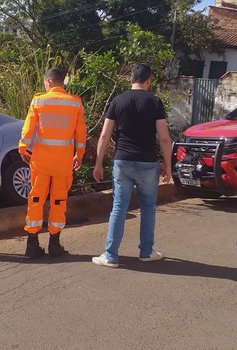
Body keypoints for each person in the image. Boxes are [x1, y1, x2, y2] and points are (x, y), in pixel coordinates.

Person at [91, 63, 172, 268]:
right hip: (147, 163)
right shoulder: (155, 102)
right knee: (148, 208)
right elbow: (164, 138)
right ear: (148, 80)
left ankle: (110, 256)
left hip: (123, 161)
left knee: (118, 207)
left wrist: (98, 163)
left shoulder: (118, 100)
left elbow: (104, 135)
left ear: (131, 80)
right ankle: (146, 252)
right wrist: (169, 166)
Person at [19, 68, 86, 258]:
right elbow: (80, 134)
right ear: (61, 82)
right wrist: (79, 155)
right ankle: (54, 245)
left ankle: (31, 245)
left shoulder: (39, 100)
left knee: (36, 199)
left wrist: (23, 147)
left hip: (40, 163)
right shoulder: (75, 103)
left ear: (48, 82)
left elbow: (28, 127)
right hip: (63, 164)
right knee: (58, 201)